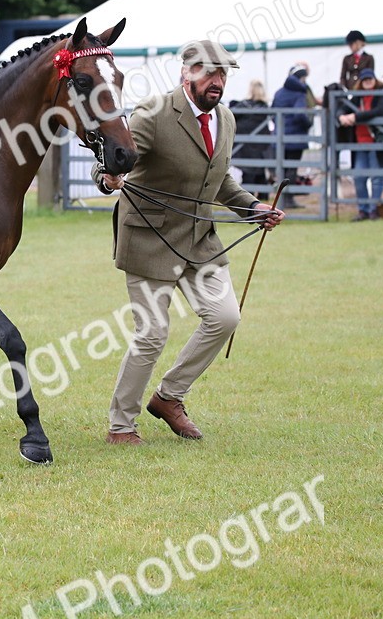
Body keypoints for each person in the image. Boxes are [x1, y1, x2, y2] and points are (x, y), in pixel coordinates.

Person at [92, 40, 284, 446]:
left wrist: (253, 208)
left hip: (199, 240)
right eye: (208, 72)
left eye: (222, 74)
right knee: (152, 334)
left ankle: (169, 397)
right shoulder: (154, 113)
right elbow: (115, 157)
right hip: (149, 237)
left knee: (225, 317)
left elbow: (220, 179)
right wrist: (107, 178)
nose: (217, 81)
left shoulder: (226, 119)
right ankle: (121, 425)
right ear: (186, 73)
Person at [338, 68, 383, 220]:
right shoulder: (357, 97)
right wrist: (341, 116)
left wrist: (356, 117)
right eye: (365, 79)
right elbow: (343, 107)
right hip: (360, 143)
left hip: (377, 141)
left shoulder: (381, 94)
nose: (367, 82)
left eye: (370, 79)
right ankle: (363, 210)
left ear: (375, 80)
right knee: (359, 177)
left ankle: (374, 210)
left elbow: (381, 110)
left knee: (376, 178)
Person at [272, 63, 314, 209]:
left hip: (279, 136)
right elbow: (299, 114)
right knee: (291, 169)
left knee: (281, 169)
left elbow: (272, 113)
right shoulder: (300, 93)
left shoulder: (279, 92)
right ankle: (288, 199)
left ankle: (280, 200)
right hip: (295, 137)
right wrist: (308, 123)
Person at [228, 80, 272, 188]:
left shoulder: (243, 105)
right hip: (260, 147)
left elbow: (230, 115)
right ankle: (263, 194)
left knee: (248, 174)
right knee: (260, 173)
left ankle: (249, 194)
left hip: (244, 146)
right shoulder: (265, 108)